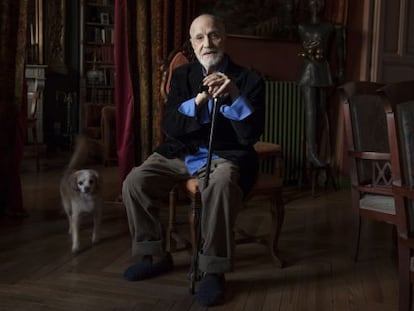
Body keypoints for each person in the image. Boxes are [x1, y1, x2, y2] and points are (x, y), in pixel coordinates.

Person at [122, 14, 265, 307]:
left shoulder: (250, 79)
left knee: (221, 185)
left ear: (225, 38)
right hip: (181, 152)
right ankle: (156, 255)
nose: (207, 43)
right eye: (199, 38)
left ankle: (212, 270)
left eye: (213, 35)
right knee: (135, 181)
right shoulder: (182, 76)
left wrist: (235, 96)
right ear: (192, 43)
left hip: (225, 155)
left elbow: (250, 135)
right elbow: (170, 127)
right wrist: (199, 101)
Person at [297, 0, 345, 168]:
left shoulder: (330, 27)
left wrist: (340, 71)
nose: (315, 4)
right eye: (312, 1)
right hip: (308, 71)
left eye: (319, 1)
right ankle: (311, 153)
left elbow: (339, 50)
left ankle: (321, 151)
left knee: (321, 111)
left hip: (323, 71)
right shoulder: (302, 26)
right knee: (310, 112)